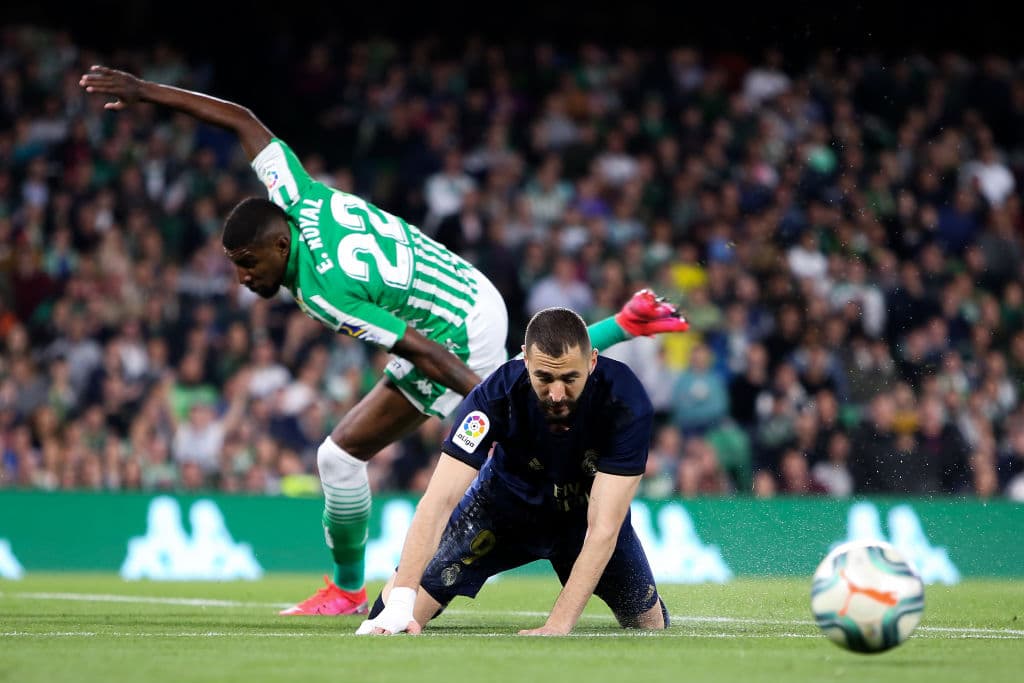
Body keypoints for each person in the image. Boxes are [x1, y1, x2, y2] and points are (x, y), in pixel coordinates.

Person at [80, 66, 690, 616]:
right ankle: (345, 592)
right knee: (339, 458)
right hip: (461, 288)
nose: (243, 279)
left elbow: (424, 352)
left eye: (247, 263)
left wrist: (490, 401)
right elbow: (241, 118)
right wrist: (143, 91)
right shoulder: (294, 195)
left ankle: (393, 586)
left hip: (454, 326)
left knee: (514, 412)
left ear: (279, 245)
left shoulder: (324, 290)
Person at [357, 308, 668, 636]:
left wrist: (558, 625)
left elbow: (604, 528)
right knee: (388, 622)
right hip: (500, 513)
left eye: (570, 378)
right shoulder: (494, 396)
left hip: (583, 519)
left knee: (650, 627)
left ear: (592, 362)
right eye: (544, 378)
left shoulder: (627, 402)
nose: (557, 394)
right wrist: (400, 604)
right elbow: (436, 503)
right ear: (524, 360)